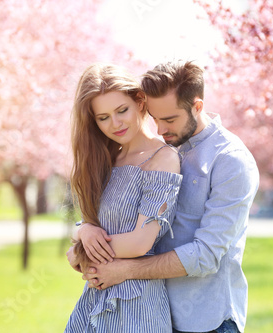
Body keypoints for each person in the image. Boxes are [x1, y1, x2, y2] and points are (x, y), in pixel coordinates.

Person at [73, 61, 260, 333]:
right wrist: (84, 230)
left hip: (205, 320)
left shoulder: (230, 160)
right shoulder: (157, 150)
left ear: (197, 107)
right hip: (150, 312)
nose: (160, 129)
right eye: (154, 118)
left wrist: (125, 270)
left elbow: (206, 255)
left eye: (170, 119)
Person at [64, 63, 183, 333]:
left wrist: (80, 251)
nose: (115, 124)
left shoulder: (163, 158)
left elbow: (141, 241)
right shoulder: (105, 159)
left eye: (122, 110)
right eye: (103, 117)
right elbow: (93, 225)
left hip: (138, 307)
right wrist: (85, 229)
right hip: (95, 299)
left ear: (139, 102)